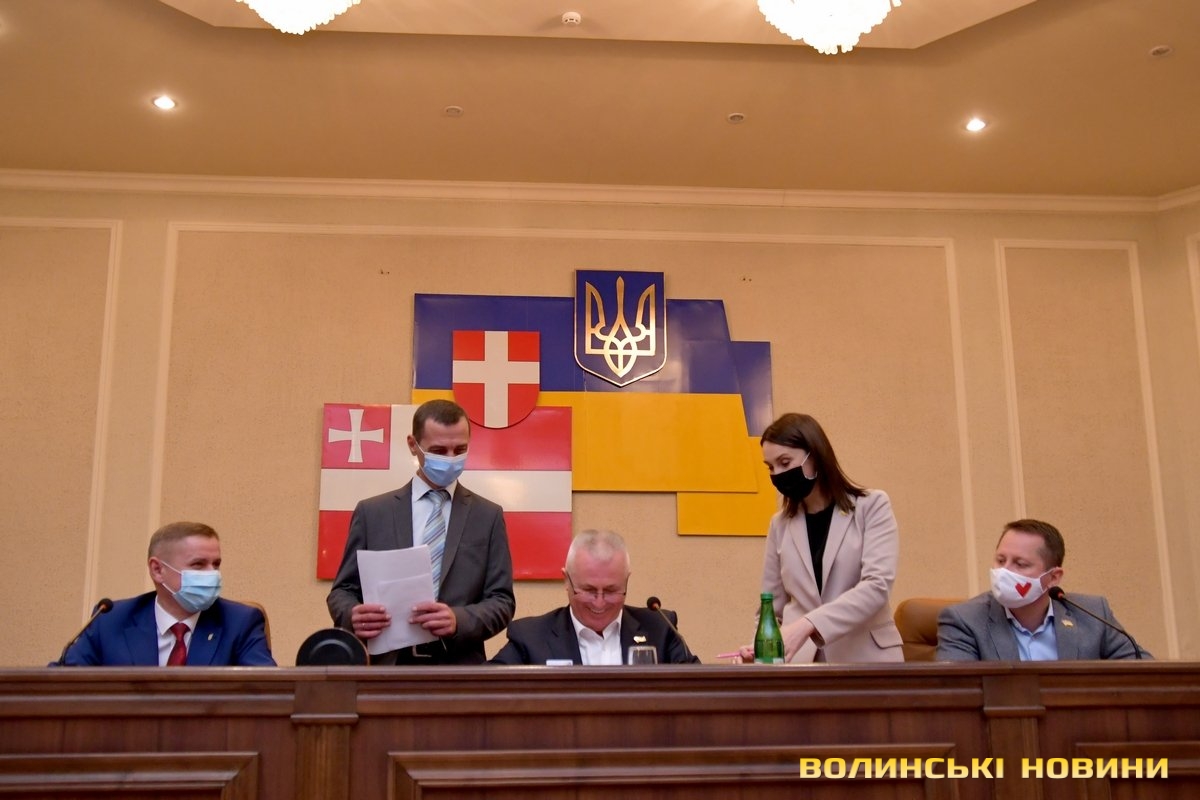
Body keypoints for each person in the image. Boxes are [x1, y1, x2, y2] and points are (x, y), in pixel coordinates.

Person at [326, 398, 515, 664]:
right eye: (439, 450)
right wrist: (351, 615)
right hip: (388, 667)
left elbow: (502, 601)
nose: (451, 459)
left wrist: (458, 620)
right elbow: (342, 591)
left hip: (459, 668)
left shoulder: (488, 516)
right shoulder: (373, 513)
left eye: (460, 449)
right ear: (413, 445)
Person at [740, 413, 903, 663]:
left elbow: (876, 586)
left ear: (815, 456)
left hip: (867, 660)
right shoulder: (779, 525)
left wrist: (808, 624)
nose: (778, 474)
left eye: (785, 462)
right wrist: (759, 648)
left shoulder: (872, 506)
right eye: (771, 467)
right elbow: (771, 609)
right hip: (802, 665)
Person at [58, 521, 275, 666]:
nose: (212, 574)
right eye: (198, 564)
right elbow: (62, 684)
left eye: (216, 564)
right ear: (157, 570)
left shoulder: (240, 622)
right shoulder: (110, 619)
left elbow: (267, 693)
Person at [936, 519, 1148, 661]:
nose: (1004, 571)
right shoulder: (965, 620)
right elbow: (957, 694)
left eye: (1020, 564)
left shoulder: (1092, 614)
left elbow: (1144, 672)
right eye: (1000, 560)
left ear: (1053, 577)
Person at [491, 529, 699, 665]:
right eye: (589, 590)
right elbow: (485, 690)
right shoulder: (531, 637)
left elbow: (697, 690)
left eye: (611, 591)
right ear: (566, 581)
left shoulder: (660, 629)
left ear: (626, 580)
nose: (599, 602)